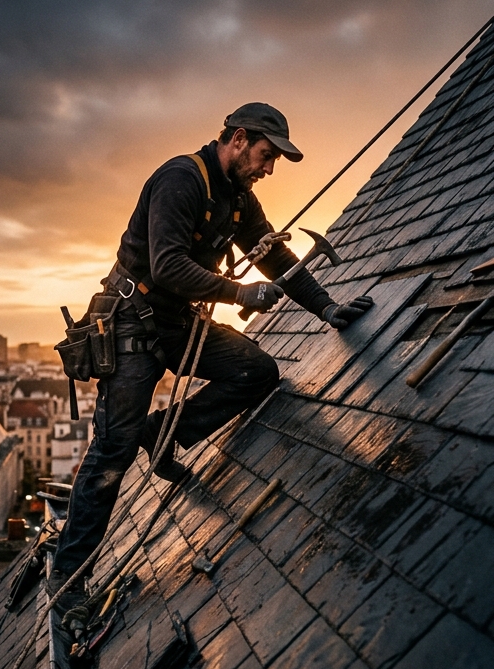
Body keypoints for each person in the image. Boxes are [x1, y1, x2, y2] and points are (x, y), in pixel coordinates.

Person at [49, 103, 373, 596]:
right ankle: (69, 581)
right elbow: (166, 266)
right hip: (132, 324)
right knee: (113, 448)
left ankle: (162, 434)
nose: (268, 169)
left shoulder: (238, 198)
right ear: (238, 139)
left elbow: (275, 253)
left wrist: (326, 307)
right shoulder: (181, 180)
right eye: (266, 156)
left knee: (256, 372)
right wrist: (239, 294)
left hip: (177, 323)